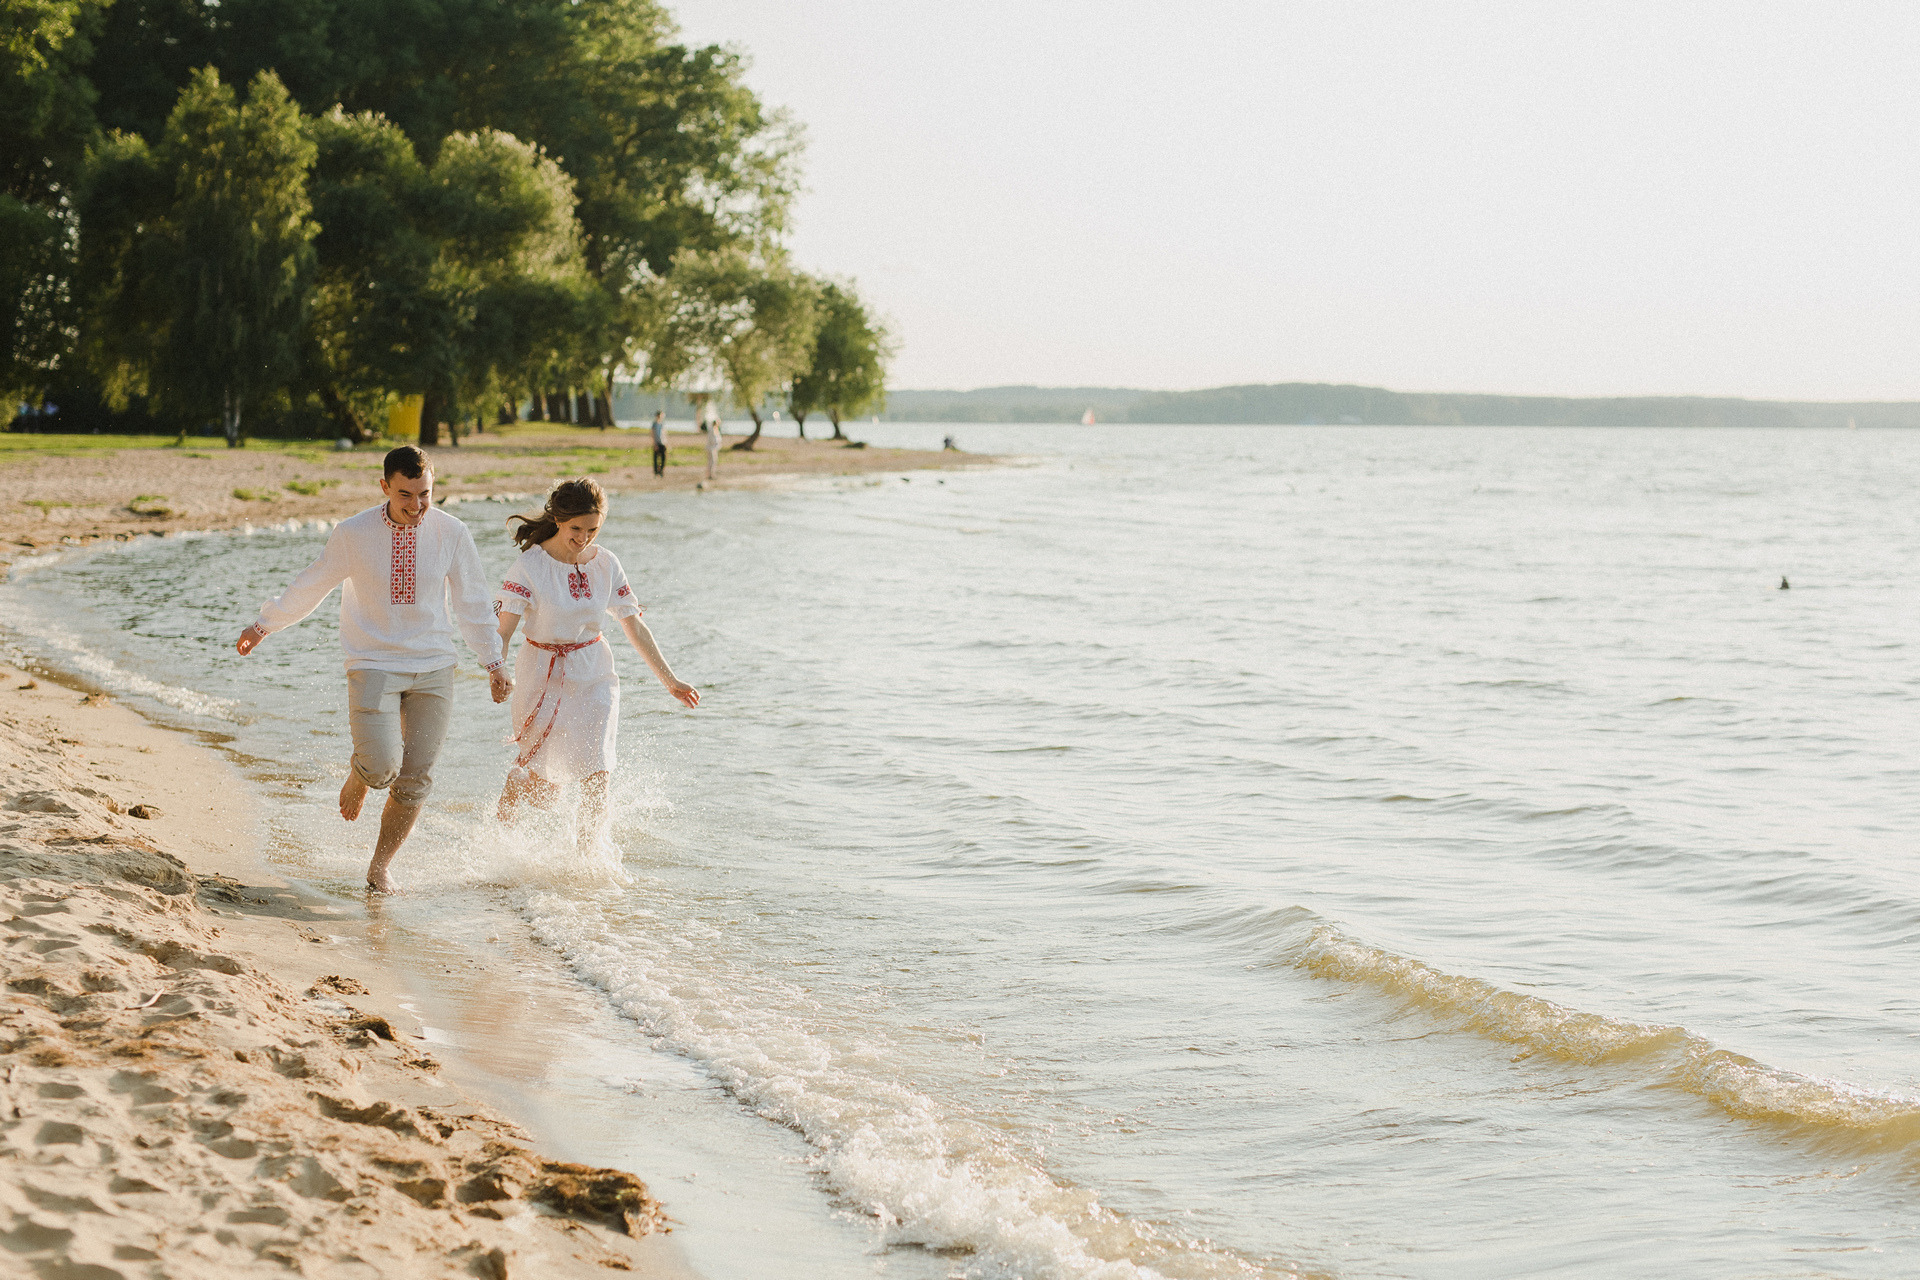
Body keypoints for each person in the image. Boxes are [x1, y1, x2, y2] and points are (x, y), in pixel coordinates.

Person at [235, 446, 511, 893]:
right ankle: (362, 772)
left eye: (425, 494)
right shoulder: (353, 533)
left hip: (434, 667)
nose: (417, 506)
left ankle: (380, 866)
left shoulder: (452, 533)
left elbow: (473, 604)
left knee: (415, 779)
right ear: (383, 487)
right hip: (372, 662)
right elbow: (314, 582)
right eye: (405, 494)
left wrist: (495, 663)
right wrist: (264, 624)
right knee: (383, 767)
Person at [493, 478, 698, 850]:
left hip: (594, 673)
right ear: (557, 519)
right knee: (545, 792)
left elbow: (632, 623)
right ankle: (514, 793)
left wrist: (670, 680)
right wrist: (497, 669)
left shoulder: (606, 563)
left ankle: (589, 862)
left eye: (593, 529)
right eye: (576, 529)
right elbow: (503, 630)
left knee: (597, 770)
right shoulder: (529, 566)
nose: (584, 537)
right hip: (542, 673)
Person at [705, 413, 722, 482]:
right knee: (712, 462)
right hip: (712, 448)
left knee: (712, 462)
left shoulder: (715, 430)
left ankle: (711, 474)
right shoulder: (712, 430)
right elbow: (712, 440)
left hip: (714, 448)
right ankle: (710, 475)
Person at [650, 410, 667, 477]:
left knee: (663, 458)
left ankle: (661, 471)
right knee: (656, 459)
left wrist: (666, 442)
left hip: (662, 443)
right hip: (656, 443)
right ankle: (656, 472)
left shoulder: (662, 424)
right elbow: (652, 434)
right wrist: (654, 444)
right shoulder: (654, 424)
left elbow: (664, 434)